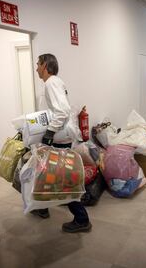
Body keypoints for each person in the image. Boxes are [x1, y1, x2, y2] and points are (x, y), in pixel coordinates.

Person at [32, 53, 92, 233]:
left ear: (45, 65)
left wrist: (50, 132)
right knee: (47, 174)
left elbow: (63, 110)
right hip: (61, 136)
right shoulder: (54, 82)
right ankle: (42, 207)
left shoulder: (51, 83)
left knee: (61, 178)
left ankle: (82, 219)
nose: (36, 68)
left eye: (38, 64)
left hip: (59, 137)